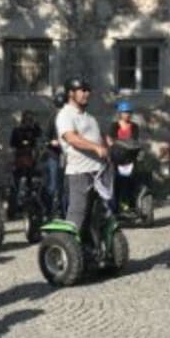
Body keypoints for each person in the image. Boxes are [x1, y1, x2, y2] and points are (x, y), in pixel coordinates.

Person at [56, 77, 108, 231]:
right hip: (80, 172)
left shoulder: (89, 117)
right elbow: (71, 138)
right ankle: (68, 244)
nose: (87, 94)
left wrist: (109, 146)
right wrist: (96, 148)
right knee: (77, 213)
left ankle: (92, 244)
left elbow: (100, 139)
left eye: (88, 91)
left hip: (97, 171)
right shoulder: (66, 114)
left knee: (96, 215)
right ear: (71, 93)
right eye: (83, 90)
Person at [106, 101, 142, 213]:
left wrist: (123, 144)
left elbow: (134, 141)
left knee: (130, 183)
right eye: (125, 112)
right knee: (117, 183)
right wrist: (114, 147)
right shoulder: (114, 126)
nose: (128, 115)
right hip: (117, 158)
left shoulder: (134, 126)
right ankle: (116, 208)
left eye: (129, 112)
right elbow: (110, 139)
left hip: (130, 158)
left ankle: (130, 206)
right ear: (120, 113)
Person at [8, 110, 41, 219]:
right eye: (27, 120)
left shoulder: (33, 130)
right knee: (17, 185)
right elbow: (13, 145)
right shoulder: (17, 130)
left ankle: (30, 206)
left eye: (30, 120)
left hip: (31, 160)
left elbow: (39, 134)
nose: (28, 122)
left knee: (31, 184)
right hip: (20, 160)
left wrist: (35, 124)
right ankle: (15, 208)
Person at [44, 91, 67, 217]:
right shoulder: (52, 118)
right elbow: (45, 138)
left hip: (66, 156)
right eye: (59, 107)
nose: (61, 110)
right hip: (54, 155)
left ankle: (63, 212)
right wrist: (52, 142)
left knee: (64, 186)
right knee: (53, 185)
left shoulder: (69, 119)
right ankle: (48, 212)